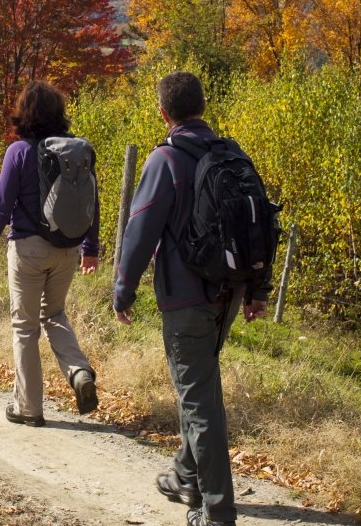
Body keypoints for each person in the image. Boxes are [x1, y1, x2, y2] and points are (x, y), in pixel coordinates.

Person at [113, 71, 270, 526]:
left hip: (186, 297)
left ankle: (217, 511)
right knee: (198, 386)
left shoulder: (165, 160)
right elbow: (258, 225)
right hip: (229, 290)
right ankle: (186, 476)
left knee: (199, 400)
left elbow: (140, 229)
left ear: (164, 113)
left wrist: (123, 290)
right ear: (203, 107)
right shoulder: (232, 154)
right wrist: (256, 290)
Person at [0, 80, 100, 426]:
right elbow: (92, 202)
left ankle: (28, 408)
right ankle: (79, 371)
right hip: (68, 250)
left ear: (23, 113)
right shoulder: (76, 152)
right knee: (55, 314)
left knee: (25, 328)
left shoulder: (19, 151)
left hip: (28, 249)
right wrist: (91, 249)